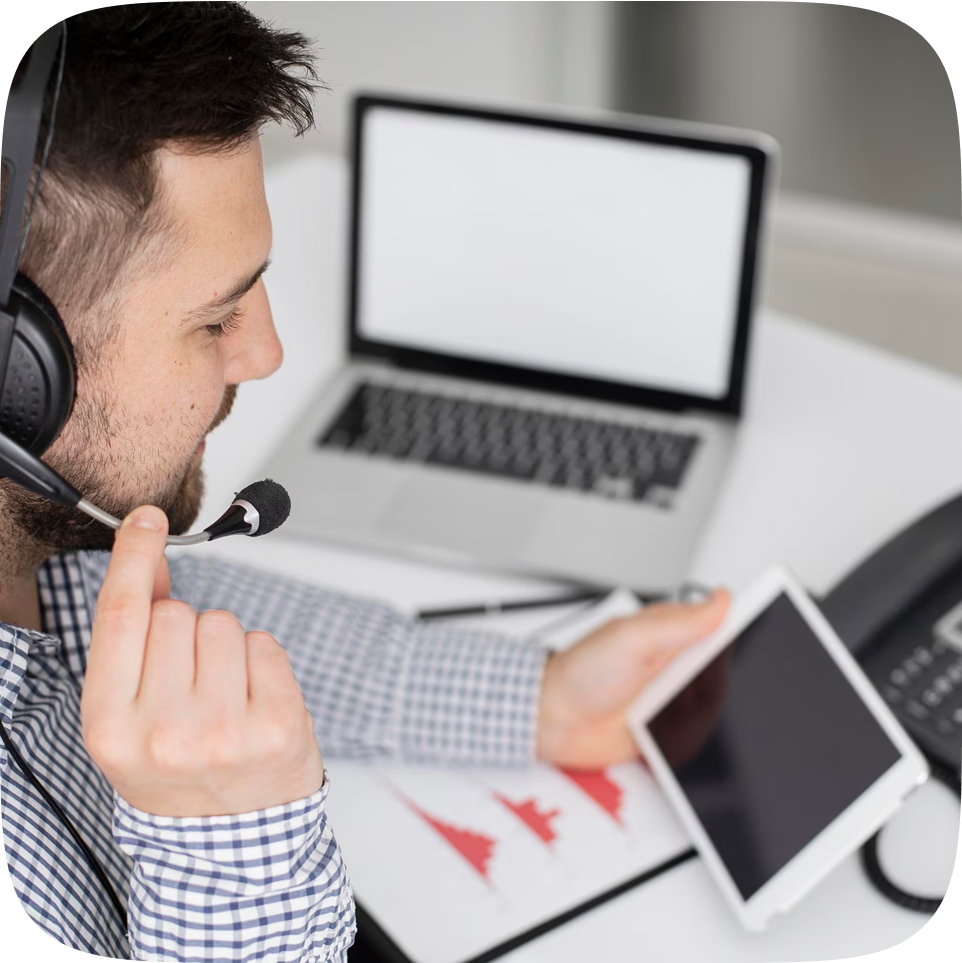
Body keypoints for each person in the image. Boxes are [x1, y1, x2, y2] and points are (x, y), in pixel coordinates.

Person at [0, 5, 730, 960]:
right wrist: (231, 846)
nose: (265, 352)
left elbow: (154, 615)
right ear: (17, 371)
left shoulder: (50, 551)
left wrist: (543, 698)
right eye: (216, 318)